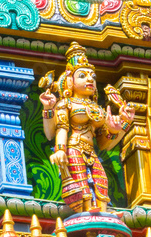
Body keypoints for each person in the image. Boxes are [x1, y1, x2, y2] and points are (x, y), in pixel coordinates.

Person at [39, 43, 134, 213]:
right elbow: (61, 128)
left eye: (93, 76)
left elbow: (105, 144)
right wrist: (61, 149)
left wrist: (121, 126)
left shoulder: (97, 108)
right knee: (81, 182)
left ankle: (103, 213)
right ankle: (85, 214)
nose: (90, 79)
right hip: (74, 147)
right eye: (82, 76)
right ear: (70, 81)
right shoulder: (66, 103)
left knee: (102, 182)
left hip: (92, 150)